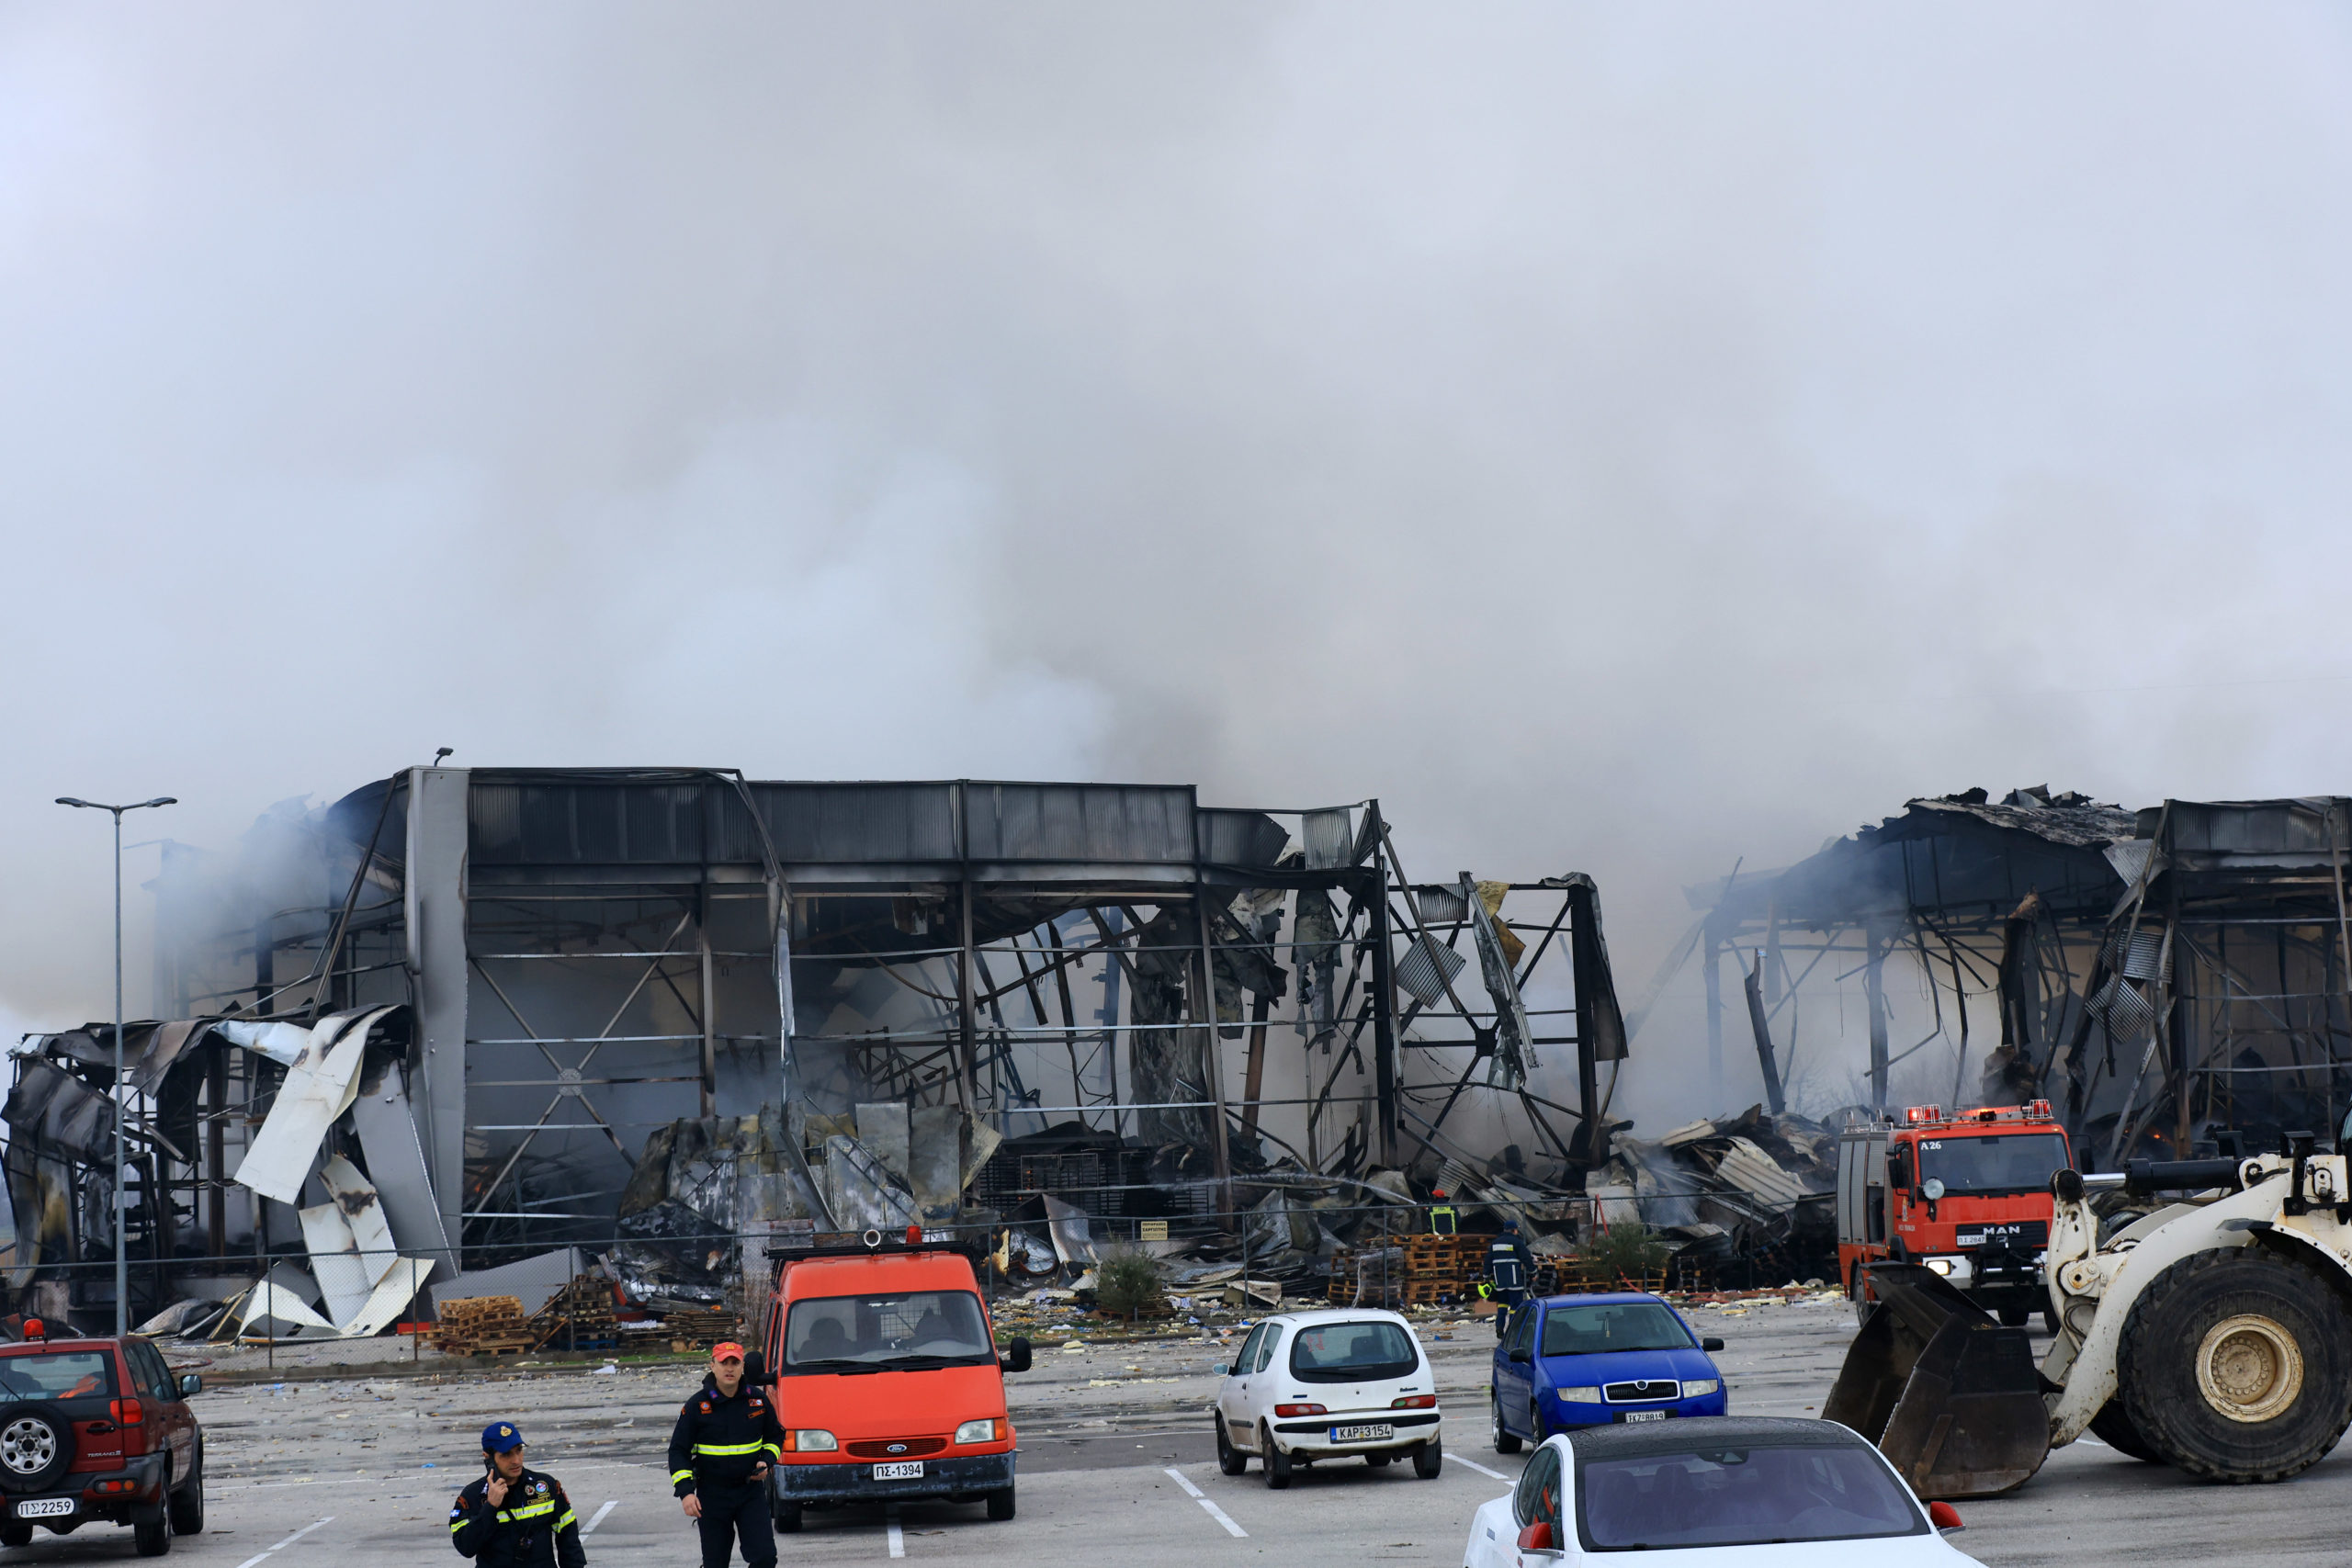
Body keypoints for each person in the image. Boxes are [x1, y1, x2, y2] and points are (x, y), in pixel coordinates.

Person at [669, 1341, 784, 1568]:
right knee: (715, 1563)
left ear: (743, 1367)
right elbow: (678, 1451)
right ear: (712, 1366)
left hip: (749, 1492)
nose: (729, 1369)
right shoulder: (696, 1405)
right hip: (712, 1496)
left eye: (735, 1363)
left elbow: (776, 1436)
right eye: (724, 1363)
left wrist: (767, 1460)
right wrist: (685, 1493)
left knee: (765, 1557)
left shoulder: (758, 1401)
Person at [450, 1421, 584, 1568]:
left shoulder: (545, 1487)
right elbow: (465, 1547)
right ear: (488, 1457)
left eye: (519, 1450)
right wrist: (490, 1507)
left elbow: (569, 1539)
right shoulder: (472, 1496)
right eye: (506, 1454)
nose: (516, 1460)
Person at [1486, 1218, 1531, 1338]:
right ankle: (1513, 1331)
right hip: (1514, 1280)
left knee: (1502, 1305)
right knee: (1515, 1306)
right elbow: (1526, 1257)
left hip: (1500, 1281)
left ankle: (1499, 1327)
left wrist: (1486, 1275)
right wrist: (1533, 1271)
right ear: (1513, 1230)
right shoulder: (1516, 1242)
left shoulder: (1495, 1243)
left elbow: (1488, 1260)